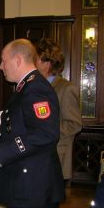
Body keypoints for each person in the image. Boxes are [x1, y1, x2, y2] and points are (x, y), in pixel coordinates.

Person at [0, 39, 65, 208]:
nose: (0, 67)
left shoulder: (35, 89)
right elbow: (22, 130)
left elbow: (46, 133)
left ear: (17, 60)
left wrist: (1, 150)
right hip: (31, 185)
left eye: (3, 61)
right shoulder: (26, 87)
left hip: (32, 189)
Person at [35, 38, 82, 183]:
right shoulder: (36, 87)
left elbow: (74, 124)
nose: (32, 63)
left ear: (47, 63)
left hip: (56, 157)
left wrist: (47, 131)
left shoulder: (67, 88)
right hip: (37, 157)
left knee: (49, 204)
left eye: (35, 60)